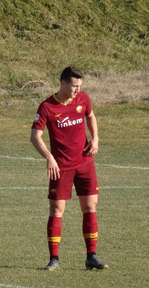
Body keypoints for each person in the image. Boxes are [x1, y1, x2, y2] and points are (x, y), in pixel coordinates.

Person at [30, 66, 108, 271]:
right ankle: (54, 259)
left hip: (84, 163)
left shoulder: (83, 99)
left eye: (80, 86)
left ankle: (91, 256)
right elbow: (35, 136)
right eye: (74, 86)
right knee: (57, 210)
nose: (77, 90)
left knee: (90, 207)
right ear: (63, 83)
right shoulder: (47, 107)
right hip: (61, 167)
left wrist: (95, 139)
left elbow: (90, 116)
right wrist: (49, 157)